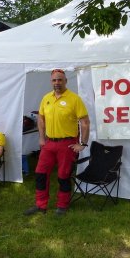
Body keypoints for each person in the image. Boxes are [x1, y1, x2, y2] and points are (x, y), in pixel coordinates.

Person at [24, 69, 90, 216]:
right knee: (40, 173)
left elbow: (85, 122)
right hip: (49, 143)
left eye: (60, 80)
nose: (57, 83)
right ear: (51, 82)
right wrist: (41, 138)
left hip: (67, 144)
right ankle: (41, 205)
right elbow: (41, 118)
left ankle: (62, 205)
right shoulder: (46, 98)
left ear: (66, 81)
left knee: (63, 175)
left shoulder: (75, 99)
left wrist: (83, 143)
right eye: (54, 80)